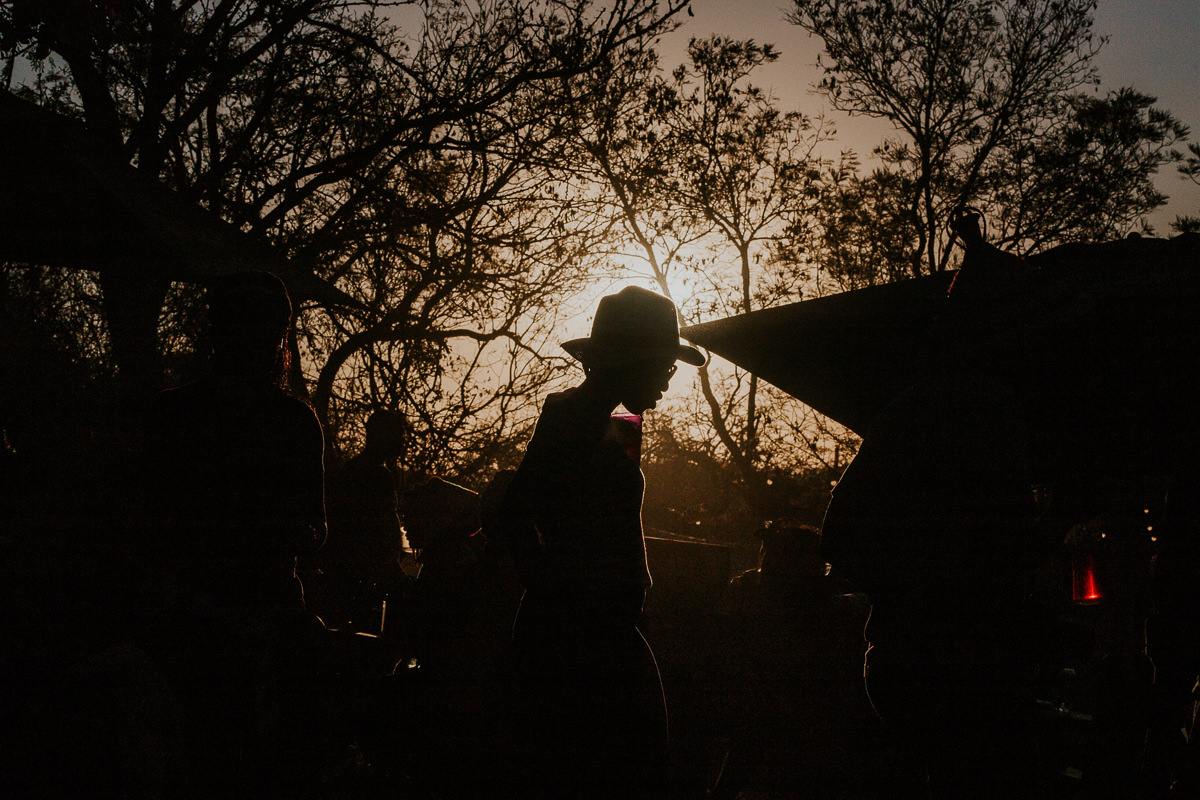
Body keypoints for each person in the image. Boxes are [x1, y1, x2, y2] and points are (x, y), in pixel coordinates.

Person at [497, 286, 704, 799]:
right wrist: (561, 598)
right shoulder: (570, 416)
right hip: (576, 640)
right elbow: (516, 514)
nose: (665, 381)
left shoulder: (620, 422)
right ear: (631, 359)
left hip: (605, 629)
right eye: (662, 366)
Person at [143, 271, 328, 795]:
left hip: (223, 614)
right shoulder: (292, 422)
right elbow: (316, 530)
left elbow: (313, 529)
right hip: (210, 615)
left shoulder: (172, 414)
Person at [709, 520, 875, 800]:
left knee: (743, 756)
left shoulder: (747, 590)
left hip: (755, 701)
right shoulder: (823, 606)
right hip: (800, 709)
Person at [318, 409, 408, 633]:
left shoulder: (357, 471)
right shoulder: (374, 476)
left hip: (355, 584)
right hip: (361, 589)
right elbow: (374, 540)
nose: (402, 444)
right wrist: (400, 583)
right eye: (398, 436)